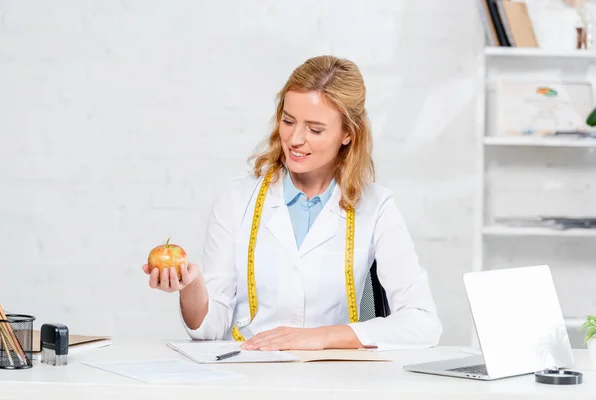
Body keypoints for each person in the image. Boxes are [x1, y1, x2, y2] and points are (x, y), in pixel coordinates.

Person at [143, 55, 442, 351]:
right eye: (288, 121)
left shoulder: (377, 207)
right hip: (250, 374)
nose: (295, 139)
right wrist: (192, 286)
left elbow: (423, 323)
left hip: (334, 379)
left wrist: (320, 337)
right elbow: (209, 331)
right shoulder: (236, 200)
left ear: (348, 134)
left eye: (315, 129)